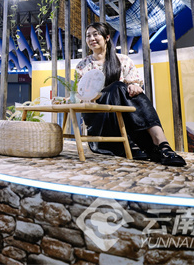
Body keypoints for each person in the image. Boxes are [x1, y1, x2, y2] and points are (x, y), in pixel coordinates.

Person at [75, 22, 186, 167]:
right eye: (88, 36)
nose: (91, 38)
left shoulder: (123, 60)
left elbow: (135, 84)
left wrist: (134, 86)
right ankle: (159, 145)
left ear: (107, 37)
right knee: (117, 86)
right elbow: (82, 96)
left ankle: (162, 143)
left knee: (129, 91)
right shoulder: (83, 66)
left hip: (123, 116)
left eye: (96, 34)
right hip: (99, 117)